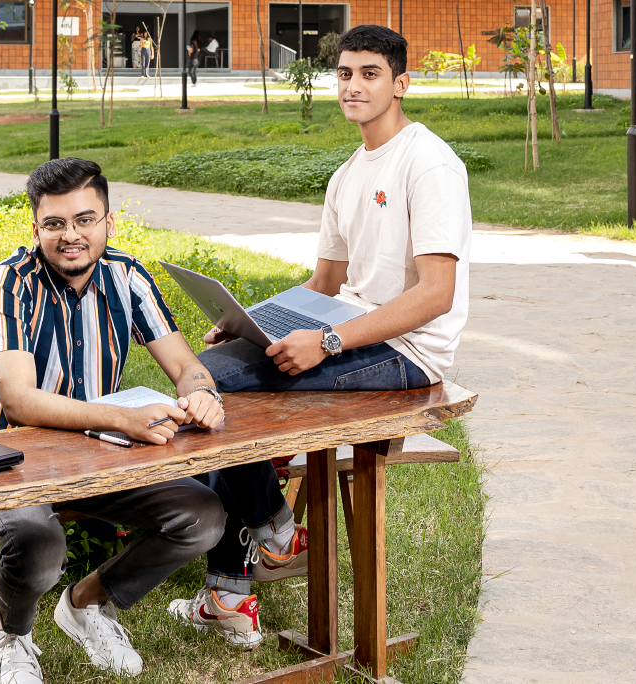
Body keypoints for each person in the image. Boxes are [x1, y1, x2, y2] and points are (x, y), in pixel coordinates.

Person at [166, 24, 471, 648]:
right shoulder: (347, 175)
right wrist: (250, 321)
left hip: (407, 353)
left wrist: (327, 342)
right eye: (345, 74)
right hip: (348, 330)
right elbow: (326, 282)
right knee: (207, 371)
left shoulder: (430, 163)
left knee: (211, 385)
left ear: (401, 84)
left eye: (370, 74)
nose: (353, 86)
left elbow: (436, 294)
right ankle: (241, 581)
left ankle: (268, 543)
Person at [0, 158, 228, 684]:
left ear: (109, 222)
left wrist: (201, 393)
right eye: (55, 223)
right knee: (40, 544)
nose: (71, 235)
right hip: (7, 458)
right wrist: (124, 419)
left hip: (95, 455)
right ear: (35, 229)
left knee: (202, 516)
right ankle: (11, 635)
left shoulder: (126, 275)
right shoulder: (11, 281)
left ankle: (85, 603)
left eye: (85, 220)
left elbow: (186, 366)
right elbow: (20, 401)